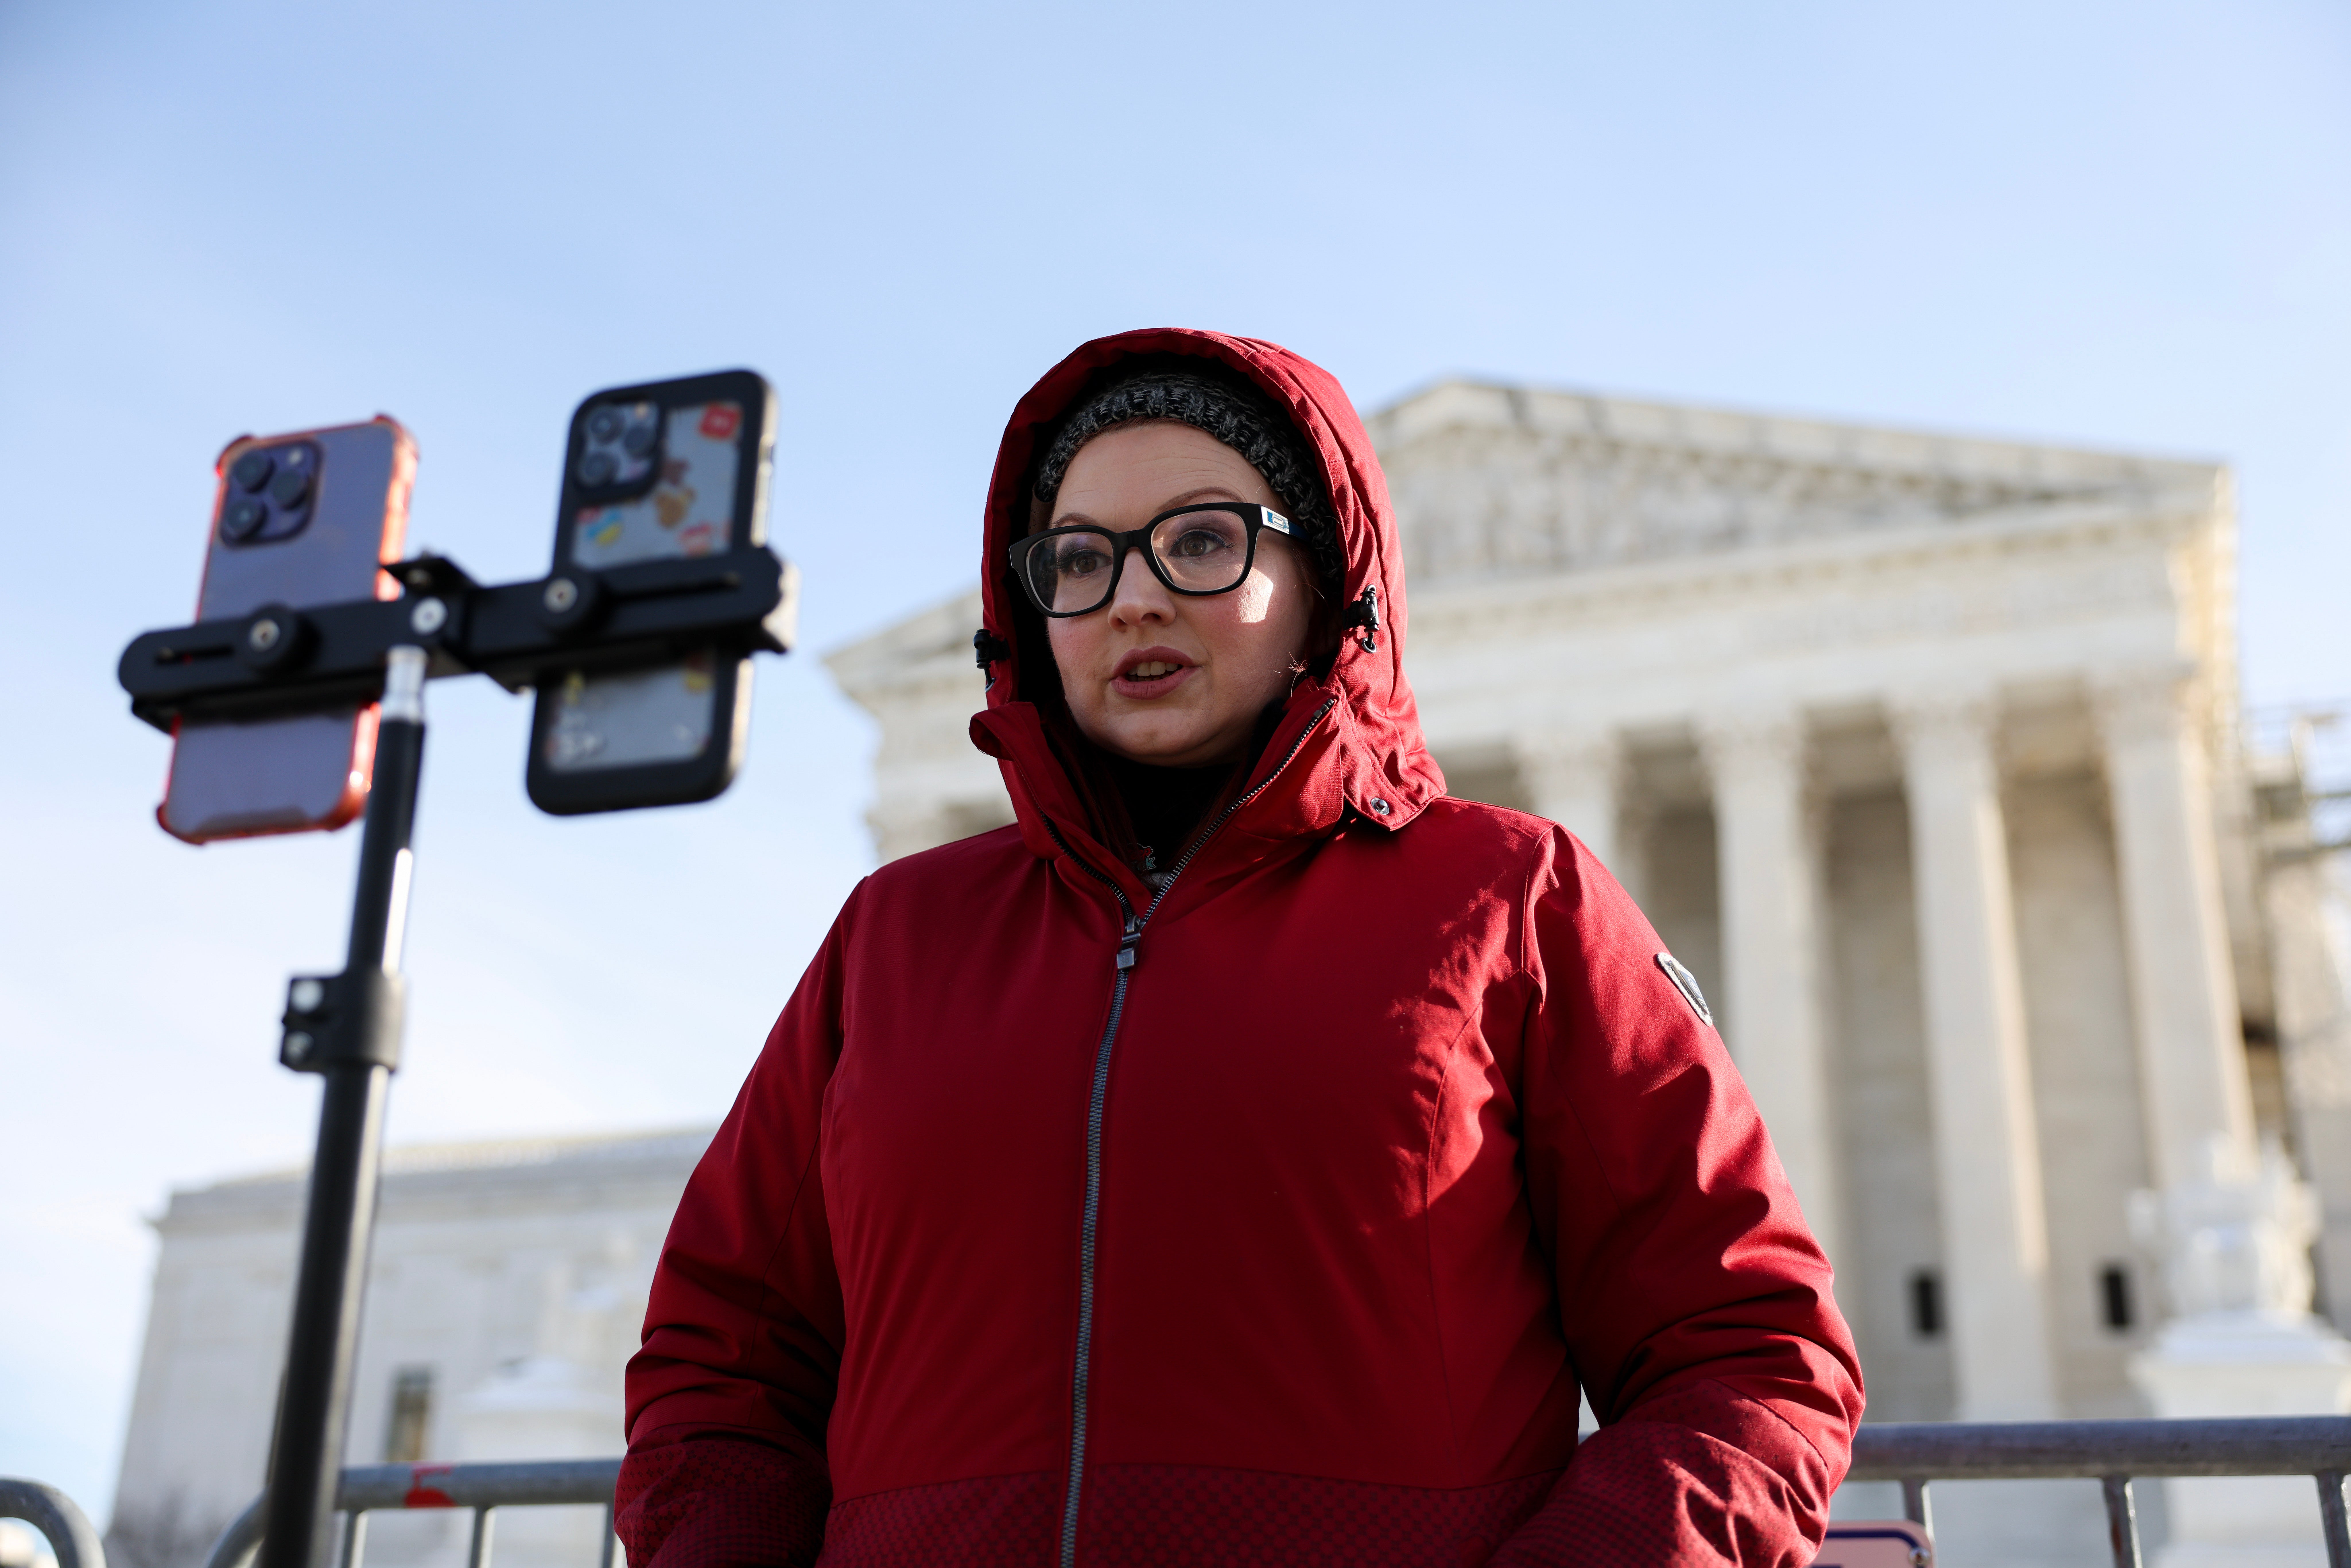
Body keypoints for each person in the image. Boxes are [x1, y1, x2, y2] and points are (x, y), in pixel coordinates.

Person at [615, 329, 1864, 1567]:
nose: (1136, 595)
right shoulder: (893, 934)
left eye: (1203, 540)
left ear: (1326, 579)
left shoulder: (1508, 898)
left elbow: (1751, 1357)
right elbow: (722, 1359)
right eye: (1080, 558)